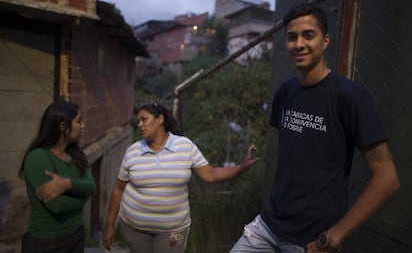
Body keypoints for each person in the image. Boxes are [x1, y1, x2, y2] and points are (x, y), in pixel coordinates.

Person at [230, 2, 400, 253]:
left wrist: (332, 238)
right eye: (292, 37)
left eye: (308, 35)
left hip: (310, 241)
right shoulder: (284, 93)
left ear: (326, 41)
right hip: (266, 228)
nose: (299, 44)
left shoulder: (350, 97)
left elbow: (387, 178)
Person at [103, 102, 259, 253]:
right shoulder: (133, 151)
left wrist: (241, 167)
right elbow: (118, 189)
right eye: (138, 121)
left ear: (160, 119)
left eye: (144, 119)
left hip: (173, 230)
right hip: (135, 229)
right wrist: (109, 225)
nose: (140, 125)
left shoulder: (185, 147)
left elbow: (211, 174)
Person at [19, 101, 96, 253]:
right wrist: (83, 199)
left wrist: (67, 184)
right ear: (62, 126)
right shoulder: (38, 157)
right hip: (47, 242)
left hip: (76, 237)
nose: (83, 125)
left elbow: (92, 186)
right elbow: (57, 206)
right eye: (78, 121)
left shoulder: (76, 155)